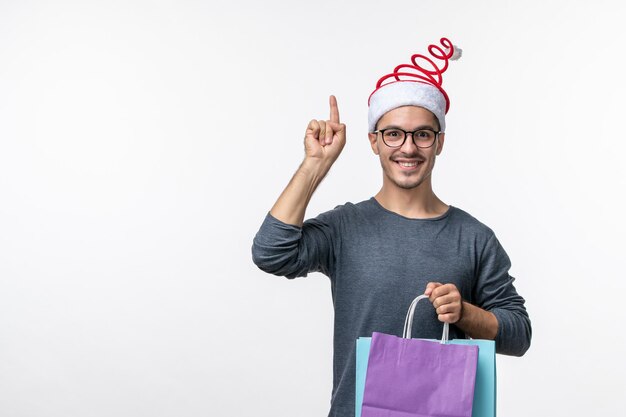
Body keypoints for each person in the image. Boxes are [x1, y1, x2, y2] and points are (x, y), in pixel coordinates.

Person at [251, 38, 531, 417]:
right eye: (394, 133)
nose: (408, 148)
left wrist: (465, 313)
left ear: (439, 143)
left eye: (423, 134)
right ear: (374, 141)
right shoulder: (344, 227)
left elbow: (519, 333)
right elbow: (271, 253)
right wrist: (315, 164)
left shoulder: (474, 238)